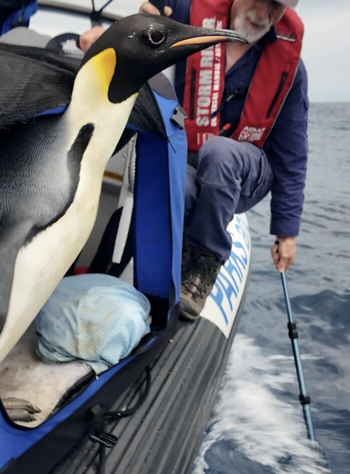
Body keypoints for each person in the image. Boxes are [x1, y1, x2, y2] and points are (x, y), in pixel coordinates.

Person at [80, 0, 308, 320]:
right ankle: (167, 263)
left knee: (220, 152)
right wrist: (113, 35)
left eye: (277, 6)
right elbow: (152, 12)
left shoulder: (290, 65)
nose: (265, 13)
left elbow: (292, 152)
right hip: (188, 158)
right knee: (177, 185)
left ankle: (206, 261)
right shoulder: (190, 12)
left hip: (246, 172)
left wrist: (286, 232)